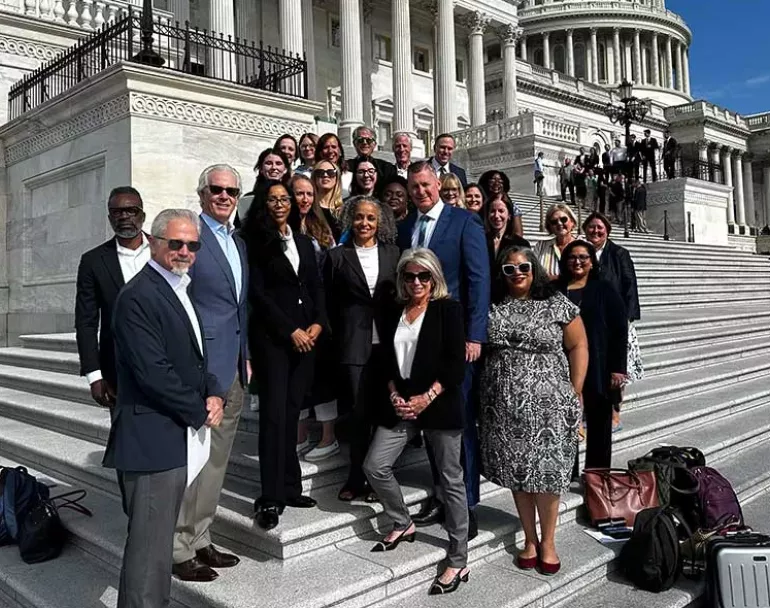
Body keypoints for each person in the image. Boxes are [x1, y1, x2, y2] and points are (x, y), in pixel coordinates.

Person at [104, 208, 225, 608]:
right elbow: (152, 372)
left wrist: (213, 392)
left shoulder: (178, 288)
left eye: (192, 244)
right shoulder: (139, 295)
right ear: (154, 242)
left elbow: (192, 357)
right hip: (152, 440)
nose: (184, 251)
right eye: (175, 243)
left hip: (173, 433)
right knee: (149, 553)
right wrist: (199, 409)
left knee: (154, 550)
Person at [363, 248, 469, 595]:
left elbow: (456, 364)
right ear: (402, 279)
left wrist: (428, 396)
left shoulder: (447, 310)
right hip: (404, 404)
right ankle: (401, 520)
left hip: (437, 404)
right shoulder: (396, 310)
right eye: (409, 276)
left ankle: (457, 557)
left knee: (451, 480)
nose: (417, 282)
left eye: (424, 275)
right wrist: (395, 393)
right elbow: (386, 363)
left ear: (434, 277)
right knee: (375, 465)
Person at [479, 246, 588, 576]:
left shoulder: (555, 302)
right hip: (504, 405)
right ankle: (529, 538)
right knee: (519, 473)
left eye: (523, 266)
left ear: (534, 268)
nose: (517, 273)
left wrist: (575, 389)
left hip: (550, 406)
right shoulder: (493, 306)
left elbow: (578, 344)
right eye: (509, 269)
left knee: (549, 475)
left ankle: (549, 541)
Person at [397, 160, 490, 539]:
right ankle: (439, 493)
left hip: (455, 340)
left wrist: (475, 335)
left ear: (438, 184)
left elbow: (478, 280)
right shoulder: (406, 227)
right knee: (431, 423)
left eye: (425, 185)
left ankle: (466, 504)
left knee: (458, 424)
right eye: (414, 186)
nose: (420, 191)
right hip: (418, 340)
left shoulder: (464, 222)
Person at [172, 165, 249, 582]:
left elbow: (241, 307)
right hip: (200, 369)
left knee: (216, 461)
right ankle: (178, 546)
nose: (224, 196)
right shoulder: (190, 237)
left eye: (231, 190)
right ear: (202, 194)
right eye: (216, 189)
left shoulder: (237, 240)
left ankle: (200, 537)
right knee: (194, 460)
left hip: (232, 368)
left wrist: (246, 355)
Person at [242, 180, 325, 530]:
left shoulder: (304, 242)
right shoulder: (256, 243)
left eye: (284, 199)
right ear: (265, 204)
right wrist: (290, 330)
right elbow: (259, 296)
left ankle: (291, 487)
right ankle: (270, 497)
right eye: (273, 199)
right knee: (274, 418)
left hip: (308, 340)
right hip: (276, 342)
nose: (280, 204)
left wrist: (319, 324)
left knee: (292, 415)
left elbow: (316, 287)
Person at [324, 196, 399, 501]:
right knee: (357, 414)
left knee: (385, 412)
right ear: (349, 221)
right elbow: (327, 303)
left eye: (370, 218)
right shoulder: (336, 257)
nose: (364, 223)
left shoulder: (394, 254)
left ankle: (380, 477)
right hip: (353, 345)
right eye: (359, 218)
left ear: (378, 222)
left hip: (389, 346)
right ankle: (356, 477)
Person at [75, 186, 150, 408]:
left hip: (166, 365)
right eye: (117, 212)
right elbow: (86, 322)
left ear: (142, 215)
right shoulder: (93, 261)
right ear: (109, 217)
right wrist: (94, 375)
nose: (124, 216)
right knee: (124, 439)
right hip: (117, 371)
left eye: (131, 210)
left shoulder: (163, 250)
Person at [556, 240, 627, 470]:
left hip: (599, 364)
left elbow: (619, 329)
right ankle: (568, 472)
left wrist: (618, 367)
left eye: (583, 258)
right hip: (563, 364)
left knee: (599, 422)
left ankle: (597, 475)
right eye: (572, 257)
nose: (577, 262)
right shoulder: (555, 290)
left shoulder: (604, 288)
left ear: (591, 262)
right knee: (566, 419)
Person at [290, 174, 339, 462]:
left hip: (321, 310)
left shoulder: (323, 227)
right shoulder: (281, 227)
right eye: (299, 193)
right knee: (298, 376)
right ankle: (299, 434)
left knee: (322, 377)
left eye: (309, 193)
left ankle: (328, 436)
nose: (305, 199)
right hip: (295, 312)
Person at [582, 212, 643, 432]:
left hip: (616, 322)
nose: (595, 231)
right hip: (591, 322)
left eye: (599, 227)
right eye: (591, 227)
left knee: (617, 369)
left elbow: (629, 286)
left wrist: (625, 319)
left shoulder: (619, 254)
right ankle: (592, 411)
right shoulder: (583, 253)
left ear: (607, 230)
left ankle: (615, 414)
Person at [532, 204, 577, 279]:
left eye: (563, 219)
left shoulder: (584, 246)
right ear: (550, 227)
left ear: (572, 222)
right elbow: (534, 274)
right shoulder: (540, 246)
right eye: (554, 222)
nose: (559, 223)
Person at [485, 197, 530, 271]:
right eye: (492, 211)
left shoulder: (521, 244)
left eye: (501, 211)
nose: (496, 215)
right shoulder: (481, 240)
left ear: (509, 215)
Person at [479, 170, 524, 238]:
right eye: (492, 181)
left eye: (500, 181)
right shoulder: (479, 204)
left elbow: (518, 233)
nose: (496, 183)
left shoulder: (513, 206)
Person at [312, 159, 345, 241]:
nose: (325, 175)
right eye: (320, 172)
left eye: (331, 172)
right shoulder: (309, 207)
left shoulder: (344, 210)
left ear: (337, 178)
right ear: (314, 177)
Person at [316, 133, 353, 197]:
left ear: (340, 151)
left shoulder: (350, 177)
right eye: (326, 147)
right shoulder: (314, 176)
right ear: (320, 153)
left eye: (334, 147)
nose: (330, 151)